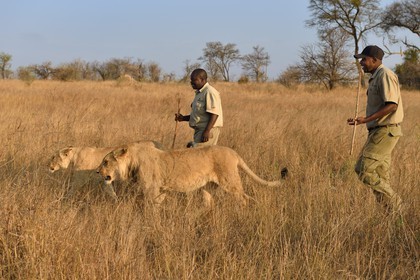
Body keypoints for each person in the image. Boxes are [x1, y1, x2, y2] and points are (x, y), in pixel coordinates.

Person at [347, 45, 404, 213]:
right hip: (379, 131)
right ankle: (391, 214)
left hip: (385, 131)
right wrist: (364, 121)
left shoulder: (385, 74)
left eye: (364, 59)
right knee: (380, 175)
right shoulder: (376, 76)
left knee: (363, 169)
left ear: (374, 60)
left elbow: (392, 105)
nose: (361, 62)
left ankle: (397, 204)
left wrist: (366, 119)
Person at [175, 68, 223, 148]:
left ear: (203, 80)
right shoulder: (200, 93)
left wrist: (207, 131)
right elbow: (199, 115)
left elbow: (214, 114)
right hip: (200, 130)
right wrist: (183, 118)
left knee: (200, 156)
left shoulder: (210, 92)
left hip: (207, 130)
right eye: (191, 80)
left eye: (195, 80)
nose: (192, 82)